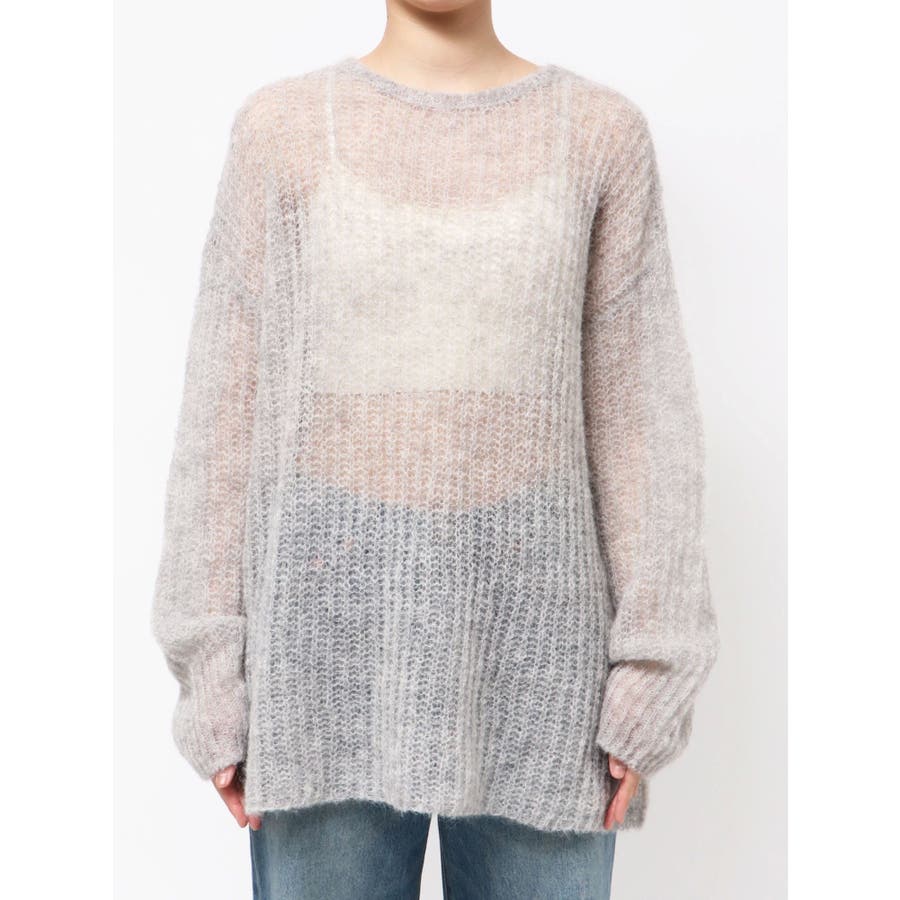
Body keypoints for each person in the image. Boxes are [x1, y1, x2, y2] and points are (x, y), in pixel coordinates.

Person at [150, 2, 720, 897]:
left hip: (544, 686)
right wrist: (211, 675)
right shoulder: (281, 133)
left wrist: (653, 674)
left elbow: (643, 420)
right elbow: (222, 417)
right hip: (319, 670)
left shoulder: (600, 137)